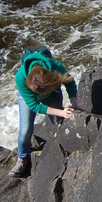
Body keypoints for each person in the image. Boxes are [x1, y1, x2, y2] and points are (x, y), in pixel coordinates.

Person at [11, 47, 78, 177]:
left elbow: (69, 82)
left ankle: (60, 149)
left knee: (58, 123)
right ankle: (22, 158)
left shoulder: (55, 66)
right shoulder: (20, 77)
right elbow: (34, 106)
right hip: (28, 98)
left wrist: (73, 101)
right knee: (25, 131)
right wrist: (60, 112)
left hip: (52, 91)